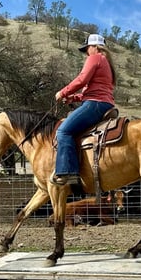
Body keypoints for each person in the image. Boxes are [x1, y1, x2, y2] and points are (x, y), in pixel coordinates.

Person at [50, 33, 117, 186]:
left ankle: (68, 172)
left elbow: (82, 79)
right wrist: (73, 98)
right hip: (104, 103)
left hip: (95, 104)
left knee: (63, 131)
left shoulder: (94, 58)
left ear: (94, 47)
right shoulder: (107, 63)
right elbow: (94, 90)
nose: (86, 52)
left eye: (87, 48)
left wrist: (63, 92)